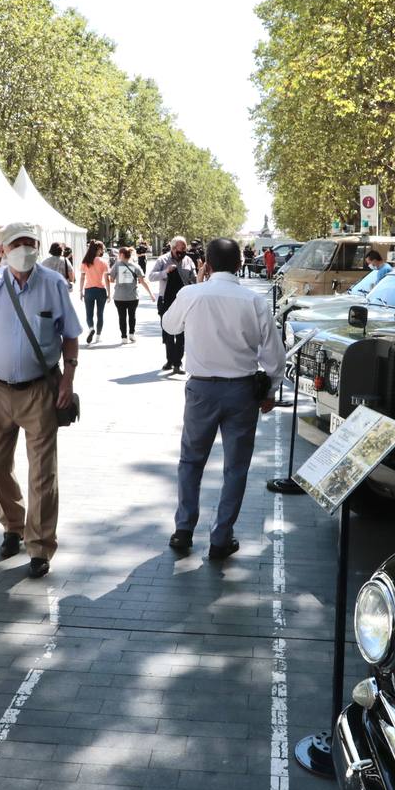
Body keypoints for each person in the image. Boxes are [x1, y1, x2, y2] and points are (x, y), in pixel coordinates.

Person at [0, 222, 81, 579]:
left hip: (39, 389)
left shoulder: (53, 284)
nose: (25, 249)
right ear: (2, 250)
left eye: (31, 243)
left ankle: (40, 545)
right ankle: (12, 525)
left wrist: (68, 378)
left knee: (43, 471)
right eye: (17, 244)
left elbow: (70, 336)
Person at [162, 238, 282, 560]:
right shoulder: (253, 301)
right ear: (240, 263)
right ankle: (220, 536)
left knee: (191, 461)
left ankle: (184, 528)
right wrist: (270, 389)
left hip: (201, 389)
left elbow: (168, 324)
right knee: (236, 467)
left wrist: (197, 285)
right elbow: (273, 352)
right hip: (241, 391)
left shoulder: (191, 294)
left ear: (207, 264)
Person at [149, 236, 196, 374]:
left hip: (184, 302)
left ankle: (178, 363)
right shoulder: (162, 260)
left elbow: (193, 279)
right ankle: (170, 360)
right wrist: (165, 272)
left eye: (184, 249)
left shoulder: (188, 261)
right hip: (166, 301)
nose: (183, 252)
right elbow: (151, 276)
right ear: (173, 248)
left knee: (181, 332)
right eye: (181, 249)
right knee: (168, 331)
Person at [109, 245, 153, 344]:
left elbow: (111, 280)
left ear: (121, 254)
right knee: (132, 316)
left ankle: (124, 337)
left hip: (119, 297)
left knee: (122, 317)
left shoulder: (116, 265)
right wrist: (151, 294)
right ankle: (132, 334)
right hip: (133, 296)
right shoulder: (136, 266)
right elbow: (142, 281)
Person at [78, 240, 110, 344]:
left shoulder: (85, 261)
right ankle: (98, 336)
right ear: (98, 249)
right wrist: (109, 293)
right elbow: (106, 279)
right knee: (100, 314)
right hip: (101, 290)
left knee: (89, 314)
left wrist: (80, 291)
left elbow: (82, 277)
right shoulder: (103, 262)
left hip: (89, 290)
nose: (103, 250)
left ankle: (91, 328)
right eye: (102, 249)